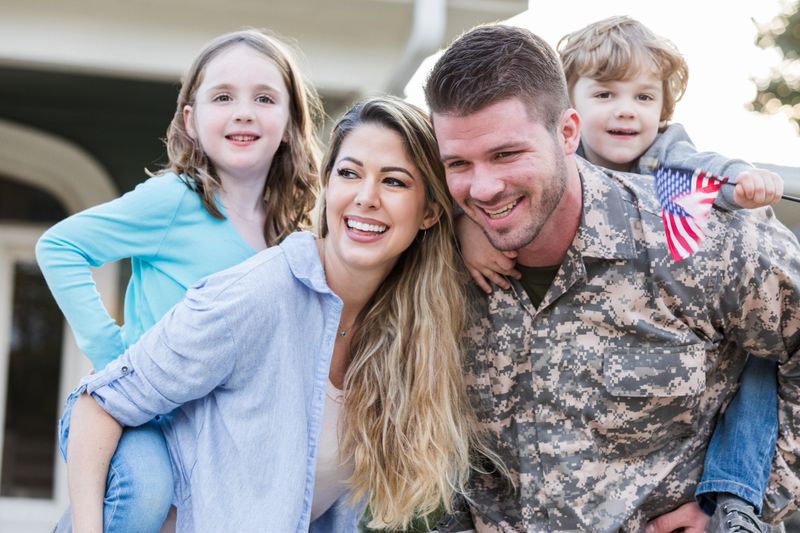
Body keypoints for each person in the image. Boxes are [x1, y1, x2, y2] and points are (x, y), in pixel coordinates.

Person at [425, 24, 800, 532]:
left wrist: (739, 511)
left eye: (507, 154)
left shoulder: (694, 234)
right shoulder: (433, 265)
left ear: (567, 132)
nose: (484, 187)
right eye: (458, 164)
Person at [58, 96, 486, 532]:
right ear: (328, 185)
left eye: (394, 182)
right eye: (349, 173)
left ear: (431, 211)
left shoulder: (405, 330)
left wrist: (472, 231)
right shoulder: (257, 296)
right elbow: (97, 405)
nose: (365, 197)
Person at [37, 28, 323, 531]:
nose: (243, 111)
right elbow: (59, 246)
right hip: (135, 417)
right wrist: (112, 356)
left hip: (211, 435)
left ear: (290, 122)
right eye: (222, 97)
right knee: (146, 489)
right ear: (190, 120)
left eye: (263, 97)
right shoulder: (175, 199)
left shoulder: (292, 233)